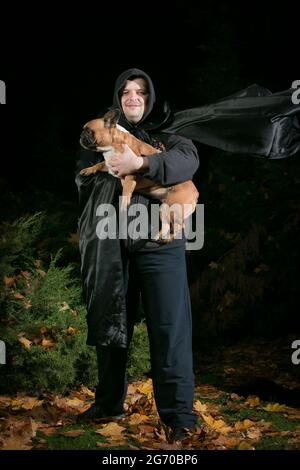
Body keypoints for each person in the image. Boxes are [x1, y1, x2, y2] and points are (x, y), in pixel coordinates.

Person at [75, 68, 199, 442]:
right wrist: (111, 165)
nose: (133, 97)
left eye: (140, 92)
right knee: (112, 328)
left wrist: (141, 164)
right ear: (117, 99)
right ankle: (108, 404)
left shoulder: (171, 136)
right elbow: (84, 178)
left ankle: (180, 418)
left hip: (161, 247)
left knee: (170, 329)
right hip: (113, 245)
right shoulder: (99, 139)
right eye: (126, 92)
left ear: (150, 98)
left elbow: (187, 164)